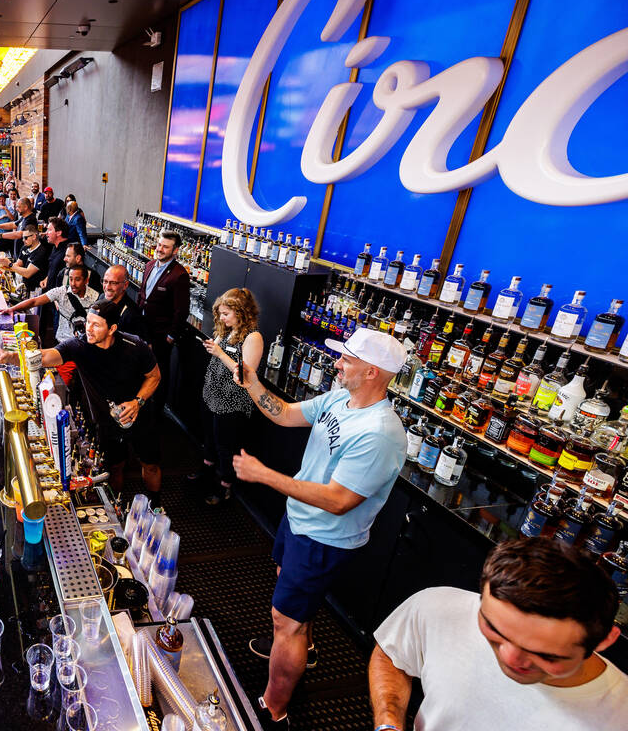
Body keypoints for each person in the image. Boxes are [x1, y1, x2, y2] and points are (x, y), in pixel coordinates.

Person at [220, 326, 407, 728]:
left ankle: (273, 708)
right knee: (289, 598)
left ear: (373, 372)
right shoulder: (343, 397)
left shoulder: (380, 434)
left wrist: (265, 475)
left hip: (324, 537)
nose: (337, 363)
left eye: (347, 359)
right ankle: (301, 636)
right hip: (300, 520)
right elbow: (286, 414)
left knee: (284, 620)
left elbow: (339, 501)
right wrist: (251, 383)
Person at [369, 537, 628, 731]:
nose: (511, 658)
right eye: (494, 630)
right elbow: (393, 655)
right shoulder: (440, 608)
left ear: (606, 639)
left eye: (544, 655)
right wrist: (388, 722)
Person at [0, 298, 162, 501]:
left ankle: (156, 504)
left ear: (112, 328)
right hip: (107, 421)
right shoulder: (80, 346)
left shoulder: (135, 346)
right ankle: (118, 503)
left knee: (150, 465)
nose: (89, 328)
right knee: (114, 466)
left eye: (96, 324)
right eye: (88, 321)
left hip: (140, 416)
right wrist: (10, 357)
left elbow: (154, 376)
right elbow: (44, 356)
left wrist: (137, 402)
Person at [195, 288, 263, 505]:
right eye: (221, 314)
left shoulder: (253, 337)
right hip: (212, 393)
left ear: (241, 312)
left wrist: (219, 353)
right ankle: (205, 473)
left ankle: (224, 486)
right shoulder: (226, 330)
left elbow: (246, 374)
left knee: (226, 445)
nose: (222, 318)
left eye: (226, 314)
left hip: (231, 400)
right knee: (209, 437)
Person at [138, 229, 191, 407]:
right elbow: (142, 294)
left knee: (159, 373)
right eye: (159, 245)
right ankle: (140, 403)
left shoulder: (180, 275)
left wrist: (170, 337)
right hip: (143, 329)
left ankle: (156, 411)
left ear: (175, 251)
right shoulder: (150, 265)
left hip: (161, 335)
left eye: (165, 247)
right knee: (140, 368)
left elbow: (182, 310)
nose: (160, 249)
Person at [0, 262, 98, 343]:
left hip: (86, 344)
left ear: (86, 280)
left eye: (77, 280)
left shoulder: (96, 297)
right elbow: (34, 301)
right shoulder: (61, 292)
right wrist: (12, 309)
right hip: (64, 342)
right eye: (71, 279)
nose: (72, 284)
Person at [6, 224, 51, 294]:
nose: (23, 240)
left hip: (35, 291)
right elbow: (18, 264)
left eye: (25, 238)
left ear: (34, 236)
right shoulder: (25, 247)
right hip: (24, 287)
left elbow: (27, 273)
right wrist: (4, 267)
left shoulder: (41, 253)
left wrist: (9, 264)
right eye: (23, 238)